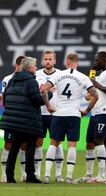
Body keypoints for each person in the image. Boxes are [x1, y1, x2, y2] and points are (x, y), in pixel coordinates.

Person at [43, 53, 98, 184]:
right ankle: (68, 177)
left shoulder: (58, 75)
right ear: (77, 63)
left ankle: (46, 176)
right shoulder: (83, 77)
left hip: (58, 114)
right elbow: (95, 95)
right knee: (72, 145)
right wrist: (87, 111)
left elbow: (43, 89)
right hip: (74, 114)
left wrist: (49, 105)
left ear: (67, 62)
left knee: (53, 143)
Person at [0, 57, 52, 183]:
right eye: (35, 66)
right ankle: (30, 175)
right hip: (28, 121)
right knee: (30, 147)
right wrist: (49, 94)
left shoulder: (12, 80)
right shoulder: (31, 81)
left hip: (13, 121)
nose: (37, 68)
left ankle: (9, 176)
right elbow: (38, 100)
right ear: (29, 68)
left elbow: (5, 100)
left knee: (14, 147)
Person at [76, 52, 106, 183]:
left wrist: (96, 83)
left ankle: (103, 175)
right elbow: (96, 95)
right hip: (96, 112)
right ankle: (104, 175)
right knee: (95, 141)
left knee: (100, 140)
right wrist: (87, 110)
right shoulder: (101, 75)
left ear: (103, 60)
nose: (94, 62)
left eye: (96, 60)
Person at [35, 50, 62, 181]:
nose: (48, 61)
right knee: (38, 142)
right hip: (40, 113)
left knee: (57, 142)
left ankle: (58, 174)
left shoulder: (61, 75)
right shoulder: (36, 74)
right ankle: (37, 172)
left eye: (50, 59)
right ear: (43, 60)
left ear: (55, 61)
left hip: (56, 114)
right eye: (46, 59)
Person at [0, 55, 28, 183]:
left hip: (24, 118)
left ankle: (24, 173)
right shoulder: (7, 79)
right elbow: (5, 99)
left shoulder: (29, 79)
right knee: (8, 145)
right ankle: (4, 174)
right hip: (12, 117)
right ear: (18, 65)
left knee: (24, 145)